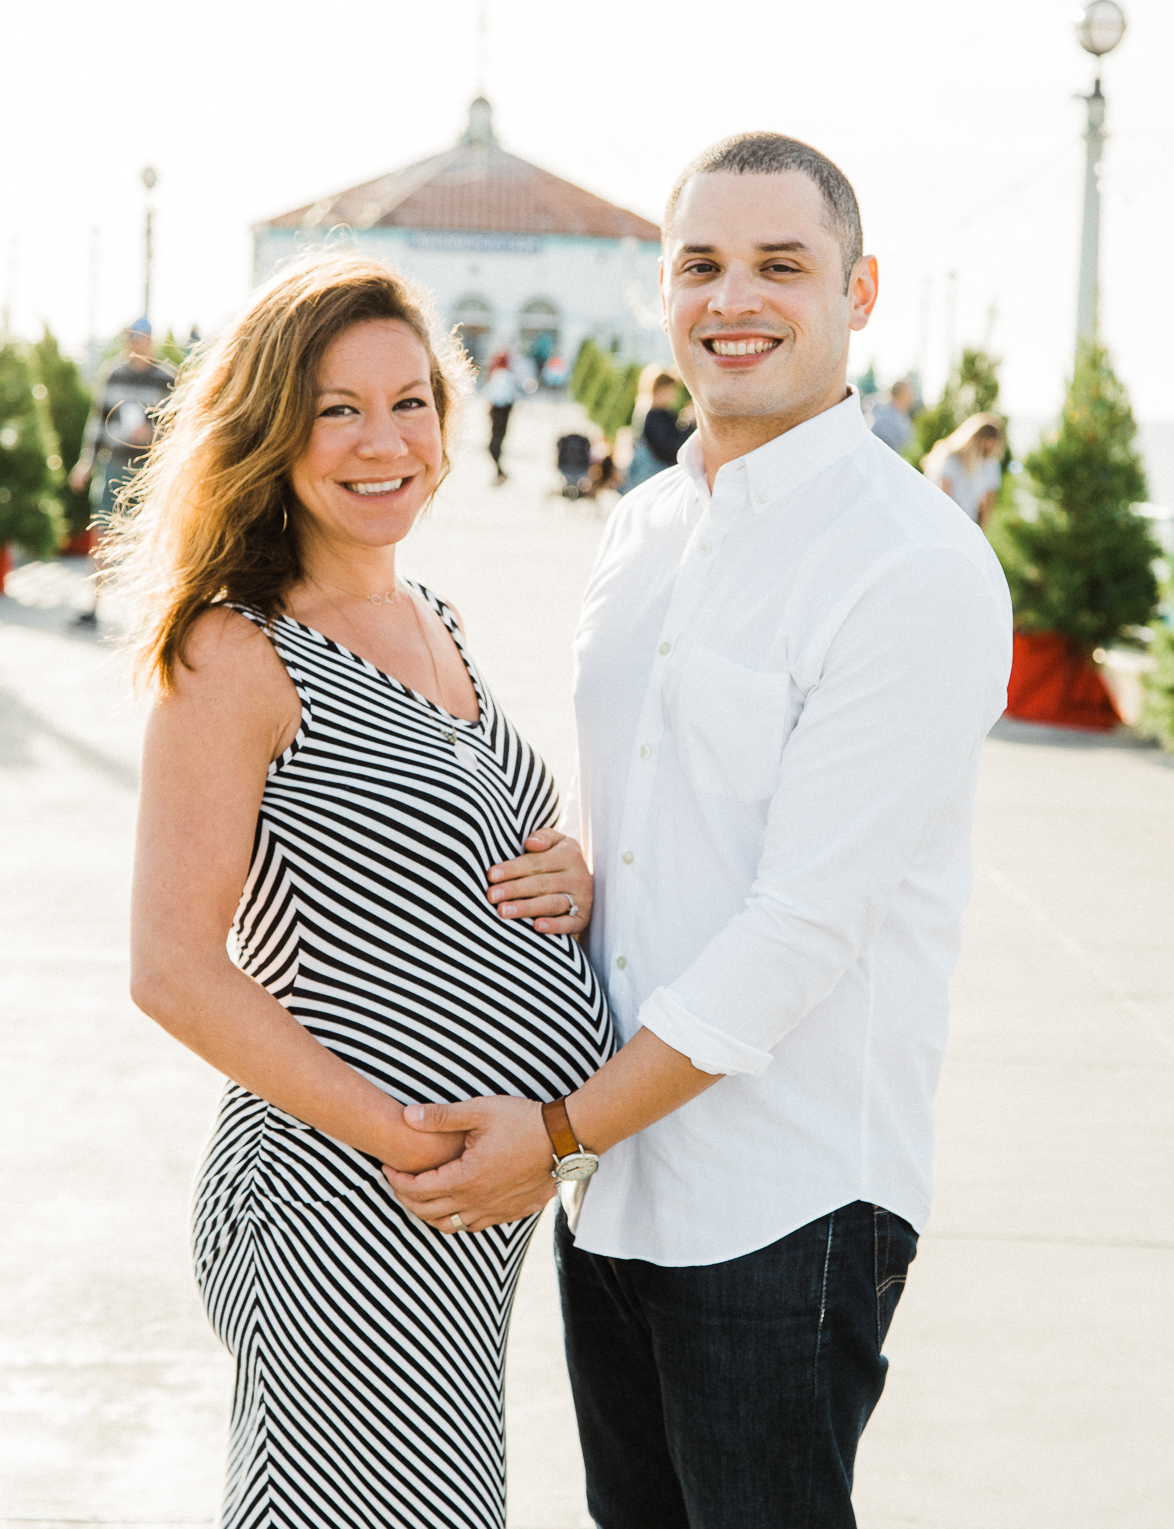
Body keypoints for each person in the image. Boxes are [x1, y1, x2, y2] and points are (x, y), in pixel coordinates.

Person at [390, 133, 1013, 1528]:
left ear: (859, 291)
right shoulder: (648, 529)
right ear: (660, 295)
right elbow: (682, 822)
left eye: (780, 265)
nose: (735, 298)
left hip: (784, 1195)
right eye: (701, 265)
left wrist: (551, 1135)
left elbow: (802, 927)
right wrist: (591, 878)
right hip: (613, 1184)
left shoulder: (911, 565)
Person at [113, 254, 613, 1527]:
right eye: (337, 409)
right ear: (273, 431)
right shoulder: (238, 647)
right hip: (349, 1200)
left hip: (455, 1213)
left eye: (411, 401)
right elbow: (172, 966)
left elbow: (437, 862)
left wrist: (572, 869)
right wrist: (406, 1142)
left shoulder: (431, 615)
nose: (383, 441)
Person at [67, 316, 176, 625]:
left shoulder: (166, 377)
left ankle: (151, 613)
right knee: (101, 535)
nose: (133, 344)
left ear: (150, 341)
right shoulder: (112, 373)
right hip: (114, 465)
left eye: (139, 338)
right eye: (129, 338)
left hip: (150, 471)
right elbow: (98, 421)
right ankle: (94, 605)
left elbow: (177, 426)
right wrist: (86, 462)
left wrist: (151, 433)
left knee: (150, 539)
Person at [922, 413, 1005, 527]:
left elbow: (989, 499)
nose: (984, 454)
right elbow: (944, 494)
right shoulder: (951, 458)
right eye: (982, 448)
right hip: (940, 518)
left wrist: (980, 529)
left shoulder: (991, 463)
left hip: (965, 522)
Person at [620, 370, 695, 494]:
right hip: (653, 473)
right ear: (661, 389)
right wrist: (688, 424)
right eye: (670, 391)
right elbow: (671, 446)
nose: (672, 396)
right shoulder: (654, 415)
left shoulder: (645, 410)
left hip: (645, 473)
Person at [484, 349, 515, 483]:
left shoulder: (499, 375)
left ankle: (499, 471)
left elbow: (493, 394)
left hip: (499, 410)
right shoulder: (507, 375)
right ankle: (500, 471)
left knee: (494, 444)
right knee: (497, 442)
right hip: (504, 410)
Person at [870, 377, 914, 452]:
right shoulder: (884, 418)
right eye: (909, 393)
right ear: (901, 394)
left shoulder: (902, 416)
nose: (912, 398)